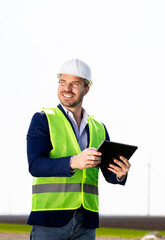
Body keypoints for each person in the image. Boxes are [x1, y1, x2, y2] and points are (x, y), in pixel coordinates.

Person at [26, 59, 131, 240]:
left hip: (86, 222)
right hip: (49, 220)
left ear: (86, 89)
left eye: (74, 84)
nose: (67, 89)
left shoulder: (99, 128)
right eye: (63, 83)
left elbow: (109, 174)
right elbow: (35, 165)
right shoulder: (43, 119)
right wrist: (73, 162)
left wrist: (120, 173)